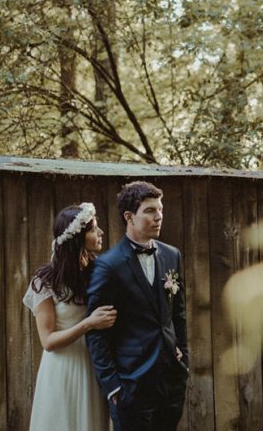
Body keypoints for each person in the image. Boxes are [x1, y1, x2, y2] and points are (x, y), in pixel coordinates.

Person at [86, 181, 189, 431]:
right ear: (129, 217)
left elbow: (179, 314)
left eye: (160, 210)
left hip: (170, 381)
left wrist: (183, 360)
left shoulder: (172, 255)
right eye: (150, 211)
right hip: (130, 384)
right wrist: (113, 387)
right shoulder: (108, 265)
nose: (159, 217)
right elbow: (96, 332)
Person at [22, 203, 117, 431]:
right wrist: (88, 323)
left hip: (94, 365)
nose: (101, 232)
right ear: (78, 237)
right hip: (62, 368)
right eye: (94, 229)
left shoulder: (99, 273)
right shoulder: (44, 282)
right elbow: (48, 341)